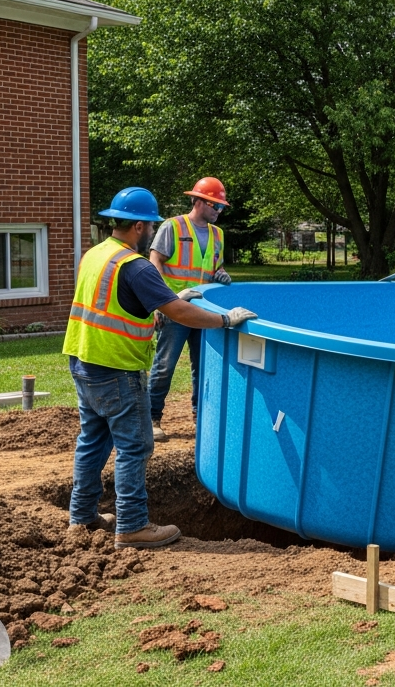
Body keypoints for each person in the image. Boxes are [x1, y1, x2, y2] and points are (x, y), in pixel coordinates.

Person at [63, 186, 256, 549]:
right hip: (117, 368)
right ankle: (133, 526)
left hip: (83, 359)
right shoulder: (136, 266)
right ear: (139, 226)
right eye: (150, 224)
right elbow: (179, 314)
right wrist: (225, 320)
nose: (153, 230)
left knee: (92, 441)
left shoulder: (96, 254)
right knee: (135, 446)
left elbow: (118, 301)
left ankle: (82, 517)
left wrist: (168, 296)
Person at [147, 177, 233, 442]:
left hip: (203, 310)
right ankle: (151, 419)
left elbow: (213, 265)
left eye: (222, 207)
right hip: (175, 308)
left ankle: (201, 417)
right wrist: (162, 301)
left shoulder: (218, 234)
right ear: (199, 201)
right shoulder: (173, 227)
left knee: (203, 367)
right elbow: (155, 261)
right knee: (165, 365)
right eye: (216, 205)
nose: (219, 211)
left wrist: (220, 274)